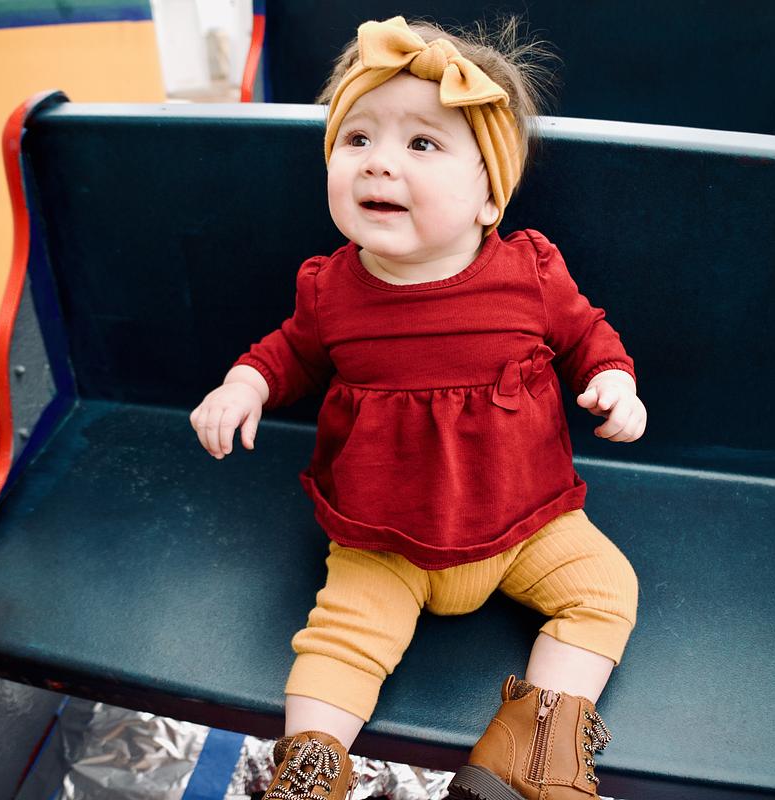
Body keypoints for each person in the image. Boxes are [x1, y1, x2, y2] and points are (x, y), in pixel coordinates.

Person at [190, 15, 646, 800]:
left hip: (526, 522)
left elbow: (587, 333)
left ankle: (530, 755)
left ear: (488, 195)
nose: (378, 163)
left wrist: (613, 378)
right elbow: (289, 352)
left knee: (605, 592)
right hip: (382, 539)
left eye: (422, 144)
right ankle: (309, 770)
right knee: (340, 641)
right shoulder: (331, 289)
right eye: (357, 139)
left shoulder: (531, 273)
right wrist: (244, 385)